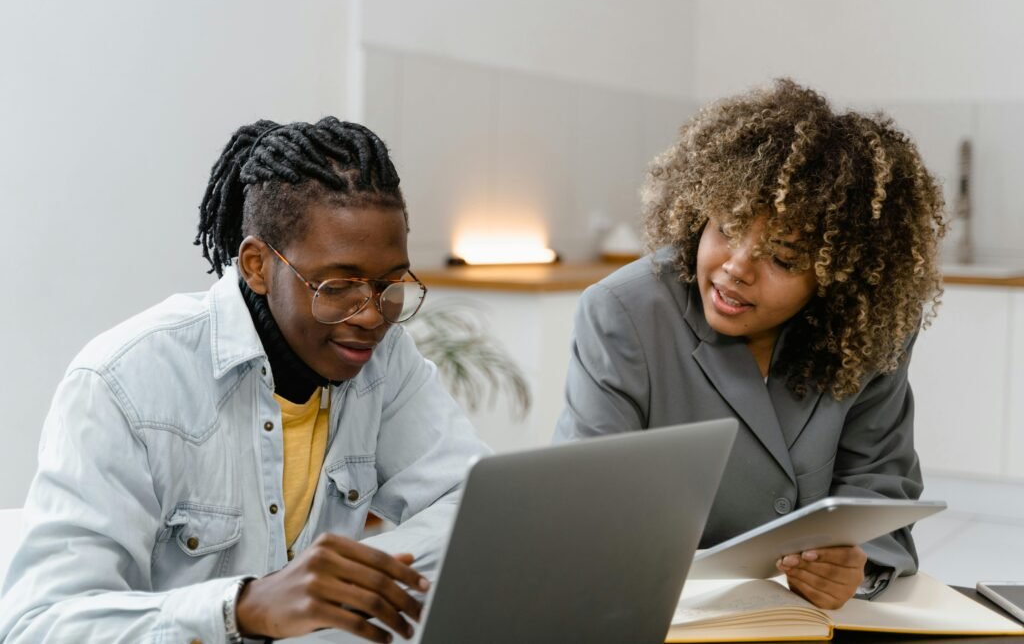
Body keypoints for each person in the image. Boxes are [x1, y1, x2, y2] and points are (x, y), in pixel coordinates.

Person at [0, 118, 490, 643]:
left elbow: (473, 507)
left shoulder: (383, 359)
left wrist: (345, 582)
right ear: (257, 265)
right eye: (338, 284)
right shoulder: (125, 383)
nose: (371, 315)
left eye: (390, 284)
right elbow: (39, 625)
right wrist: (243, 608)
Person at [554, 80, 947, 610]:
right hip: (662, 610)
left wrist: (858, 564)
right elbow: (583, 503)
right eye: (726, 228)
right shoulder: (625, 313)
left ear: (837, 276)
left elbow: (881, 489)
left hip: (806, 620)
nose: (735, 269)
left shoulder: (869, 330)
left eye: (782, 258)